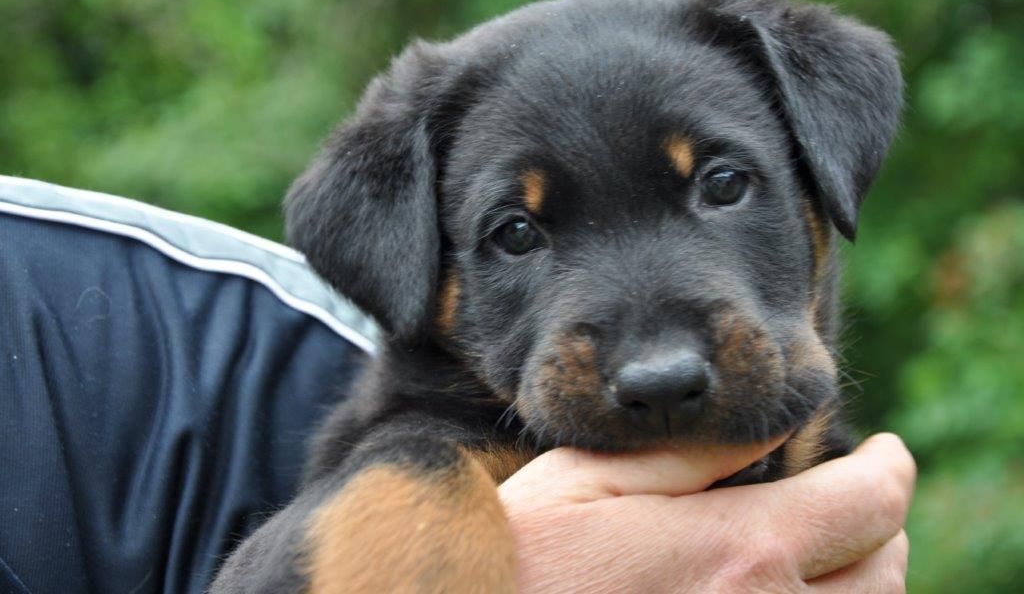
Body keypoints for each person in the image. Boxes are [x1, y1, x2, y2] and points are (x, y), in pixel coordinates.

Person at [0, 176, 914, 593]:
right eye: (515, 234)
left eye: (722, 186)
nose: (654, 360)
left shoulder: (183, 327)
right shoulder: (401, 464)